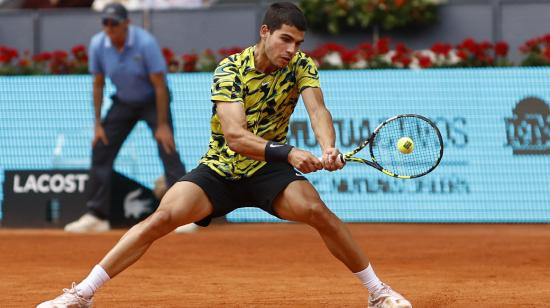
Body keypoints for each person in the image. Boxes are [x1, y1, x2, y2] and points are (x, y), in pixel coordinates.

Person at [37, 2, 412, 307]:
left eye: (298, 42)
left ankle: (378, 292)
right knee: (161, 217)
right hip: (220, 171)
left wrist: (328, 146)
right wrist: (291, 153)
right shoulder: (229, 70)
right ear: (265, 32)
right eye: (285, 40)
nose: (292, 50)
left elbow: (318, 111)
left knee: (318, 212)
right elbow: (235, 136)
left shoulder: (301, 66)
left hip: (269, 173)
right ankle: (81, 294)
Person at [64, 3, 188, 233]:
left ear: (126, 23)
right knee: (101, 147)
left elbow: (160, 85)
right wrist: (98, 124)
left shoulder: (145, 43)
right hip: (124, 102)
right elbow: (98, 83)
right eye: (105, 23)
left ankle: (184, 212)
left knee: (167, 146)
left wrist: (162, 125)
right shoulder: (97, 45)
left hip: (153, 100)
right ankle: (97, 215)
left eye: (114, 23)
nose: (109, 28)